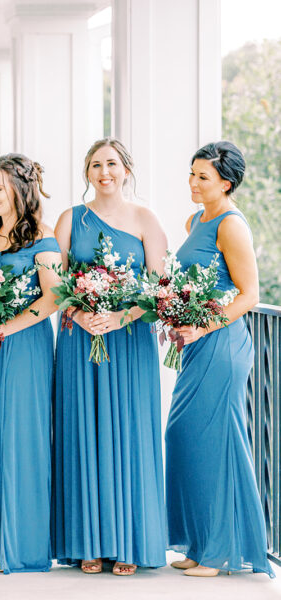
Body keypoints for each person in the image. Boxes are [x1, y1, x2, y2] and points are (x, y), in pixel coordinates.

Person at [51, 138, 168, 575]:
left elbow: (160, 287)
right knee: (83, 431)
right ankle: (88, 542)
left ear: (126, 169)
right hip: (81, 339)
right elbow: (55, 281)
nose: (104, 172)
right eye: (96, 165)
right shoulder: (69, 219)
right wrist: (79, 313)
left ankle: (129, 543)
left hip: (129, 339)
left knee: (129, 432)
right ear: (87, 172)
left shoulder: (145, 218)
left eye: (112, 164)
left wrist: (123, 316)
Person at [165, 141, 274, 577]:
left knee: (214, 443)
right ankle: (198, 541)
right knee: (184, 437)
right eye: (191, 173)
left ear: (225, 183)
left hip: (224, 345)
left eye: (202, 176)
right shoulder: (196, 219)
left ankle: (219, 552)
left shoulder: (231, 225)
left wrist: (201, 325)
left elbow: (250, 295)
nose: (193, 182)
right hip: (196, 344)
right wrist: (178, 316)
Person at [0, 154, 60, 573]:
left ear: (21, 189)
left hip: (23, 347)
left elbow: (53, 298)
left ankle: (17, 546)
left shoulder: (45, 239)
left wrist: (3, 328)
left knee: (18, 436)